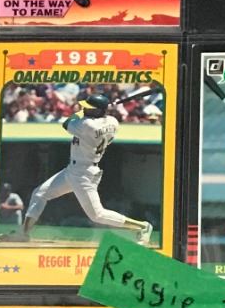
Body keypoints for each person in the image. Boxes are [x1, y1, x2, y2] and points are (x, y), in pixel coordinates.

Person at [19, 91, 151, 243]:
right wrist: (100, 110)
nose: (85, 109)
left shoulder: (87, 124)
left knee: (97, 215)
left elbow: (66, 123)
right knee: (40, 193)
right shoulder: (113, 121)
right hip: (73, 170)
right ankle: (23, 234)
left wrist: (85, 111)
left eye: (89, 108)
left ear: (98, 111)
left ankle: (142, 226)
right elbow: (106, 118)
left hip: (84, 174)